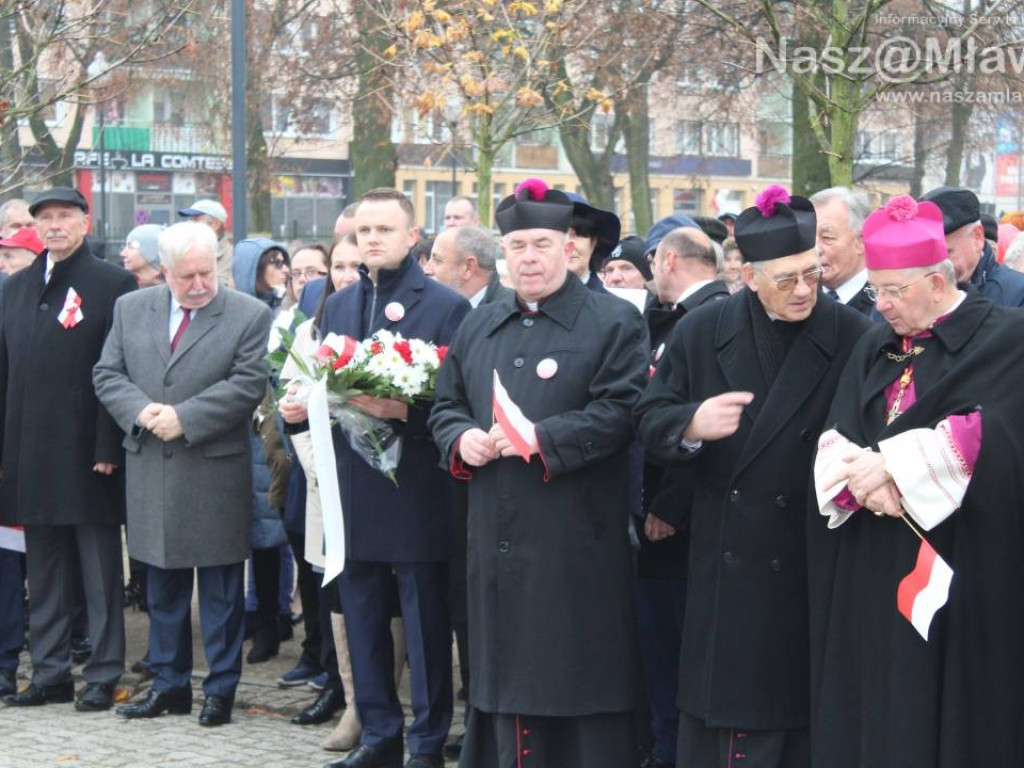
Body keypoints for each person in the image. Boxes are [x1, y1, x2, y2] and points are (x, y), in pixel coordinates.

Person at [636, 185, 871, 768]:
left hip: (811, 557)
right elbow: (647, 418)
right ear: (747, 276)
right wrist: (691, 424)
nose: (802, 291)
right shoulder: (701, 329)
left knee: (797, 716)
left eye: (811, 276)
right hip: (725, 563)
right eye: (786, 278)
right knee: (729, 718)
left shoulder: (853, 335)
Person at [429, 177, 649, 768]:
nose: (528, 257)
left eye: (542, 245)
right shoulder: (480, 322)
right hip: (492, 541)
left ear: (568, 247)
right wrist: (461, 438)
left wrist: (541, 439)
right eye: (518, 245)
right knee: (502, 687)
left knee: (573, 680)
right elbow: (446, 403)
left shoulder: (612, 320)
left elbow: (622, 411)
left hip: (574, 541)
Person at [808, 195, 1024, 766]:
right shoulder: (871, 342)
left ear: (935, 279)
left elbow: (998, 431)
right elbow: (837, 430)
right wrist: (860, 476)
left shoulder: (1006, 338)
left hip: (962, 563)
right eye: (876, 290)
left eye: (894, 292)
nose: (881, 305)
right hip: (873, 559)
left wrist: (897, 467)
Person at [280, 188, 469, 768]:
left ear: (414, 238)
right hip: (351, 490)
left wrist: (404, 415)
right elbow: (322, 385)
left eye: (385, 230)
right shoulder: (337, 305)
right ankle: (380, 735)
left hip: (416, 491)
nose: (373, 240)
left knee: (423, 619)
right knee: (359, 614)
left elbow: (459, 401)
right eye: (364, 231)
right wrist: (299, 408)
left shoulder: (445, 305)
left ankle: (428, 740)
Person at [94, 221, 272, 726]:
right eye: (186, 276)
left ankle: (220, 690)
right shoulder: (131, 308)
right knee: (163, 590)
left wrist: (185, 417)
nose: (198, 285)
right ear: (164, 272)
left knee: (219, 593)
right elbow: (107, 372)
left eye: (206, 273)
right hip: (151, 465)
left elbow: (246, 383)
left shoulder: (248, 314)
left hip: (213, 469)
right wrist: (142, 411)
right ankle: (170, 685)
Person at [0, 187, 136, 712]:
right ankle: (51, 672)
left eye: (65, 216)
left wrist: (109, 444)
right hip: (29, 453)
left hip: (88, 453)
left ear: (84, 221)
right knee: (45, 568)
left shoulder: (111, 282)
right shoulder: (17, 287)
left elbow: (116, 368)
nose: (55, 226)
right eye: (46, 218)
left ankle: (103, 673)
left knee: (100, 570)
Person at [233, 239, 294, 665]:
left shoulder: (288, 314)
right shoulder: (237, 313)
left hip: (273, 434)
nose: (280, 269)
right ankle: (258, 616)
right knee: (253, 534)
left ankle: (273, 620)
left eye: (282, 261)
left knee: (273, 533)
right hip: (242, 433)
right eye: (269, 262)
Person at [921, 186, 1024, 307]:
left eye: (947, 253)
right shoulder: (917, 294)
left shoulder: (1017, 295)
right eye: (929, 257)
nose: (937, 267)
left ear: (977, 237)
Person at [809, 187, 873, 315]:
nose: (815, 250)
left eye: (827, 238)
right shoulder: (802, 299)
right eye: (809, 237)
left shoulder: (884, 302)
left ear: (861, 242)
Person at [424, 225, 507, 307]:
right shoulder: (435, 308)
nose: (426, 269)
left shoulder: (510, 314)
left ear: (468, 268)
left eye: (437, 260)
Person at [566, 193, 620, 292]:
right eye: (560, 235)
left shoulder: (613, 307)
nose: (568, 245)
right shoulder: (530, 304)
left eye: (577, 235)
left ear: (593, 242)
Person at [178, 198, 234, 288]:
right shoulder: (179, 251)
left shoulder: (233, 257)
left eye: (195, 220)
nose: (188, 224)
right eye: (189, 220)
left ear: (215, 224)